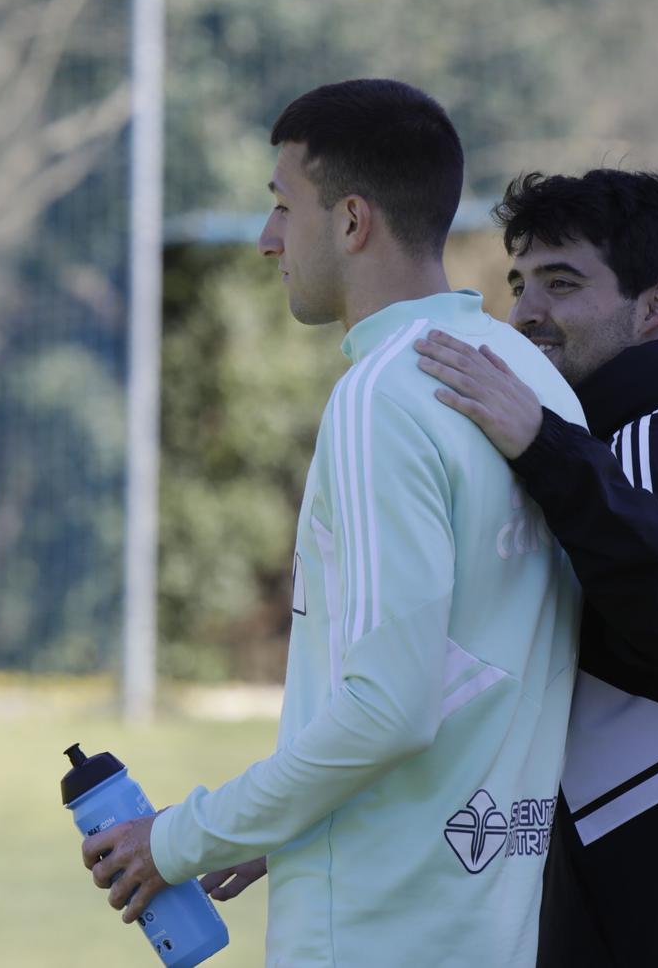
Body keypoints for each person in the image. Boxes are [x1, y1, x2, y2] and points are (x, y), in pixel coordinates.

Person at [84, 79, 587, 966]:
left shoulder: (383, 393)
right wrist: (269, 827)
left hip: (373, 937)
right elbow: (469, 674)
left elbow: (390, 709)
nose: (267, 237)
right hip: (492, 933)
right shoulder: (531, 379)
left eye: (283, 205)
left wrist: (179, 837)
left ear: (353, 221)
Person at [413, 169, 658, 968]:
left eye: (563, 282)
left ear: (654, 307)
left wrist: (544, 443)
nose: (525, 312)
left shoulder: (647, 441)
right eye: (520, 282)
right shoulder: (647, 440)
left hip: (653, 924)